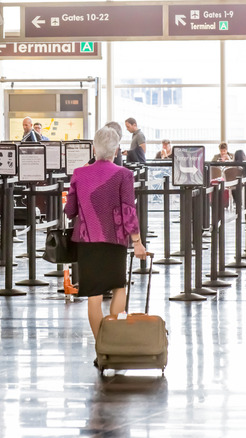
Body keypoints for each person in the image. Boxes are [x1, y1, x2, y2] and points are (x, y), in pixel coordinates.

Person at [64, 126, 147, 364]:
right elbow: (128, 211)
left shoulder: (79, 173)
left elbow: (69, 211)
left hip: (88, 242)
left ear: (94, 148)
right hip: (115, 241)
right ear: (117, 150)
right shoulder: (124, 175)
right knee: (119, 287)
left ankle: (102, 348)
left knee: (94, 296)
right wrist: (137, 243)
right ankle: (116, 342)